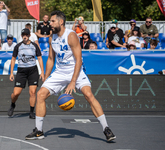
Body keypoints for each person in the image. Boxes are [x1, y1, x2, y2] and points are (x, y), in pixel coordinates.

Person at [25, 10, 116, 142]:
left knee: (88, 95)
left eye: (52, 21)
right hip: (60, 72)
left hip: (76, 71)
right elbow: (51, 58)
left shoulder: (71, 36)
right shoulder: (52, 37)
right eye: (50, 21)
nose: (50, 23)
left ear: (61, 22)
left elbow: (79, 60)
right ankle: (39, 131)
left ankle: (106, 129)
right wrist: (45, 75)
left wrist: (73, 81)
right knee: (40, 95)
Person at [8, 28, 44, 119]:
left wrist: (42, 72)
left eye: (26, 35)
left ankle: (31, 112)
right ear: (21, 36)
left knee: (32, 92)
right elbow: (13, 59)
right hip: (21, 71)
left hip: (32, 70)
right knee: (16, 93)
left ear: (29, 36)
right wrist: (11, 73)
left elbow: (39, 58)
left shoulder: (34, 46)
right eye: (23, 35)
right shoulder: (18, 46)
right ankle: (13, 104)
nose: (25, 36)